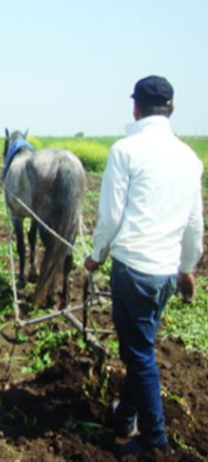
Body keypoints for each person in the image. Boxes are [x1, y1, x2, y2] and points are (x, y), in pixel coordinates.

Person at [84, 75, 203, 457]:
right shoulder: (189, 158)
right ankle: (123, 426)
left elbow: (111, 216)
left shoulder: (125, 151)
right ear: (171, 109)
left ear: (135, 108)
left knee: (139, 356)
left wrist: (97, 254)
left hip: (133, 269)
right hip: (166, 273)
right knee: (142, 349)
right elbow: (194, 223)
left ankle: (156, 443)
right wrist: (187, 268)